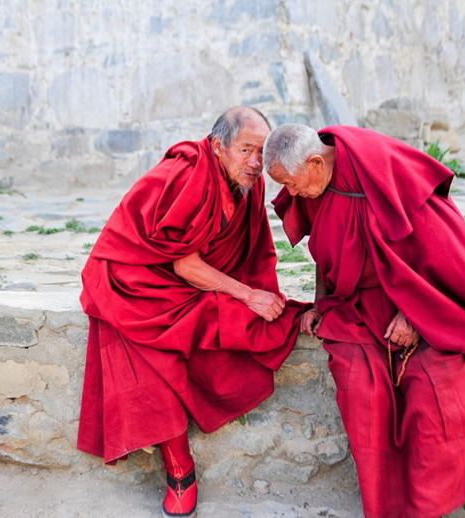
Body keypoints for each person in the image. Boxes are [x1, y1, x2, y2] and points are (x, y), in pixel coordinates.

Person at [263, 123, 465, 518]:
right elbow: (328, 249)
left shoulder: (381, 170)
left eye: (293, 184)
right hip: (359, 306)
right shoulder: (314, 182)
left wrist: (413, 313)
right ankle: (383, 508)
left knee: (434, 392)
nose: (293, 194)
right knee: (359, 390)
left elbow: (447, 252)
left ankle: (425, 507)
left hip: (427, 300)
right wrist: (321, 304)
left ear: (316, 163)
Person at [78, 107, 308, 517]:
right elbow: (184, 263)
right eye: (247, 150)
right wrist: (246, 294)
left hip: (190, 278)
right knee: (150, 348)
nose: (256, 163)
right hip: (134, 279)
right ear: (218, 146)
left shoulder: (247, 183)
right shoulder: (185, 174)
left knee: (266, 323)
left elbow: (247, 255)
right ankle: (179, 468)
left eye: (261, 152)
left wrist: (256, 294)